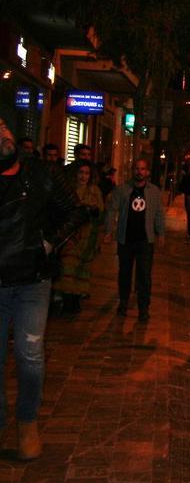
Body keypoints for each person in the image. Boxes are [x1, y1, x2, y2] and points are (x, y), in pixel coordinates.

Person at [0, 115, 86, 459]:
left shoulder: (40, 172)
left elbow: (76, 212)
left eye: (5, 126)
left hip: (33, 281)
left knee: (29, 355)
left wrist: (48, 243)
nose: (4, 133)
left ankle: (27, 422)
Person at [105, 158, 166, 322]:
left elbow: (159, 213)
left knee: (144, 276)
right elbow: (112, 210)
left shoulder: (154, 191)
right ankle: (123, 303)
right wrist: (108, 231)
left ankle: (144, 308)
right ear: (133, 171)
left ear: (147, 171)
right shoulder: (123, 190)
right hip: (126, 239)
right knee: (124, 273)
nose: (140, 172)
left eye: (143, 169)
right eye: (137, 169)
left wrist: (161, 233)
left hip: (145, 240)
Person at [56, 161, 106, 316]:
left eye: (86, 173)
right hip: (70, 236)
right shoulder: (68, 190)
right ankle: (67, 303)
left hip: (87, 237)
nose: (83, 176)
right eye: (81, 173)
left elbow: (101, 215)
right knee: (67, 268)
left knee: (81, 272)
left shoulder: (94, 191)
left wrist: (94, 212)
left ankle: (75, 303)